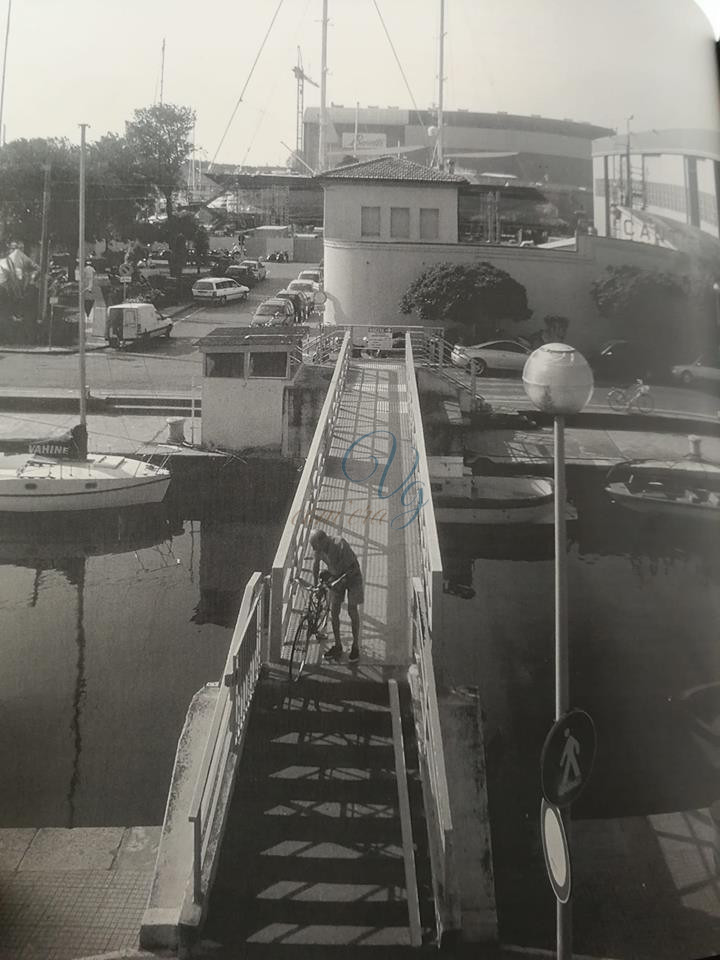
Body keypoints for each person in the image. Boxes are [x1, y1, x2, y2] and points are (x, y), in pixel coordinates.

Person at [310, 528, 363, 662]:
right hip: (336, 577)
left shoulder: (340, 544)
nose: (317, 551)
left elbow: (351, 568)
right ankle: (338, 645)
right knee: (334, 612)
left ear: (323, 540)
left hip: (352, 576)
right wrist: (316, 585)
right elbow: (315, 566)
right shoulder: (318, 550)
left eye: (317, 547)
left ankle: (355, 646)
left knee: (352, 610)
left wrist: (338, 581)